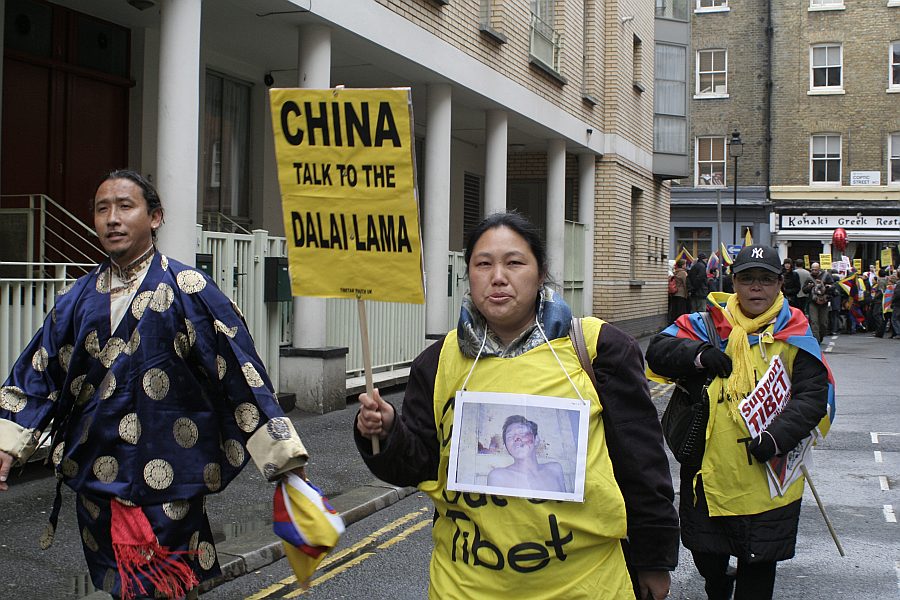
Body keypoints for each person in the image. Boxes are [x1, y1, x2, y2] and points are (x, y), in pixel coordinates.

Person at [0, 170, 308, 600]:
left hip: (171, 478)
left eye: (126, 206)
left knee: (167, 588)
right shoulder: (77, 298)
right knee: (117, 585)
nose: (112, 218)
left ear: (155, 216)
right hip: (97, 479)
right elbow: (39, 369)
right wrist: (8, 442)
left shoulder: (189, 288)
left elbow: (240, 373)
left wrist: (284, 460)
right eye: (102, 208)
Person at [354, 212, 678, 600]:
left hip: (583, 586)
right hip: (466, 587)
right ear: (468, 274)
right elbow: (419, 466)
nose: (498, 277)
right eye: (483, 264)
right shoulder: (437, 362)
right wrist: (387, 431)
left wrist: (653, 559)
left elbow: (642, 466)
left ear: (540, 273)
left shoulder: (598, 348)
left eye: (514, 262)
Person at [646, 244, 834, 600]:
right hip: (708, 472)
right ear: (734, 282)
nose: (756, 288)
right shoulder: (705, 324)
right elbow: (657, 351)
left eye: (765, 279)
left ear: (780, 284)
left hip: (767, 477)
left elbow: (812, 397)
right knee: (706, 555)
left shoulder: (795, 333)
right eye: (748, 279)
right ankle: (718, 582)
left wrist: (776, 438)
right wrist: (699, 355)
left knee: (759, 568)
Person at [486, 415, 566, 492]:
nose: (516, 439)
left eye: (522, 432)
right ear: (507, 447)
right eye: (510, 436)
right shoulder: (498, 477)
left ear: (536, 439)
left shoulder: (555, 469)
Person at [802, 262, 833, 342]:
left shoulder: (826, 276)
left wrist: (827, 287)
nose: (814, 271)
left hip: (824, 302)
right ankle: (816, 340)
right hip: (813, 302)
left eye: (816, 269)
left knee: (823, 323)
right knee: (814, 322)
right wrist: (810, 286)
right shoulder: (809, 277)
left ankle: (821, 335)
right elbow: (804, 290)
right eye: (812, 269)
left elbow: (833, 288)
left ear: (819, 269)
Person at [669, 258, 690, 324]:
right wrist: (687, 294)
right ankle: (680, 323)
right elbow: (685, 284)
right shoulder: (683, 273)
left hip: (674, 293)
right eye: (685, 264)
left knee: (674, 310)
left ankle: (673, 323)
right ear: (682, 265)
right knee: (680, 311)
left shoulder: (675, 272)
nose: (685, 265)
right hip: (681, 294)